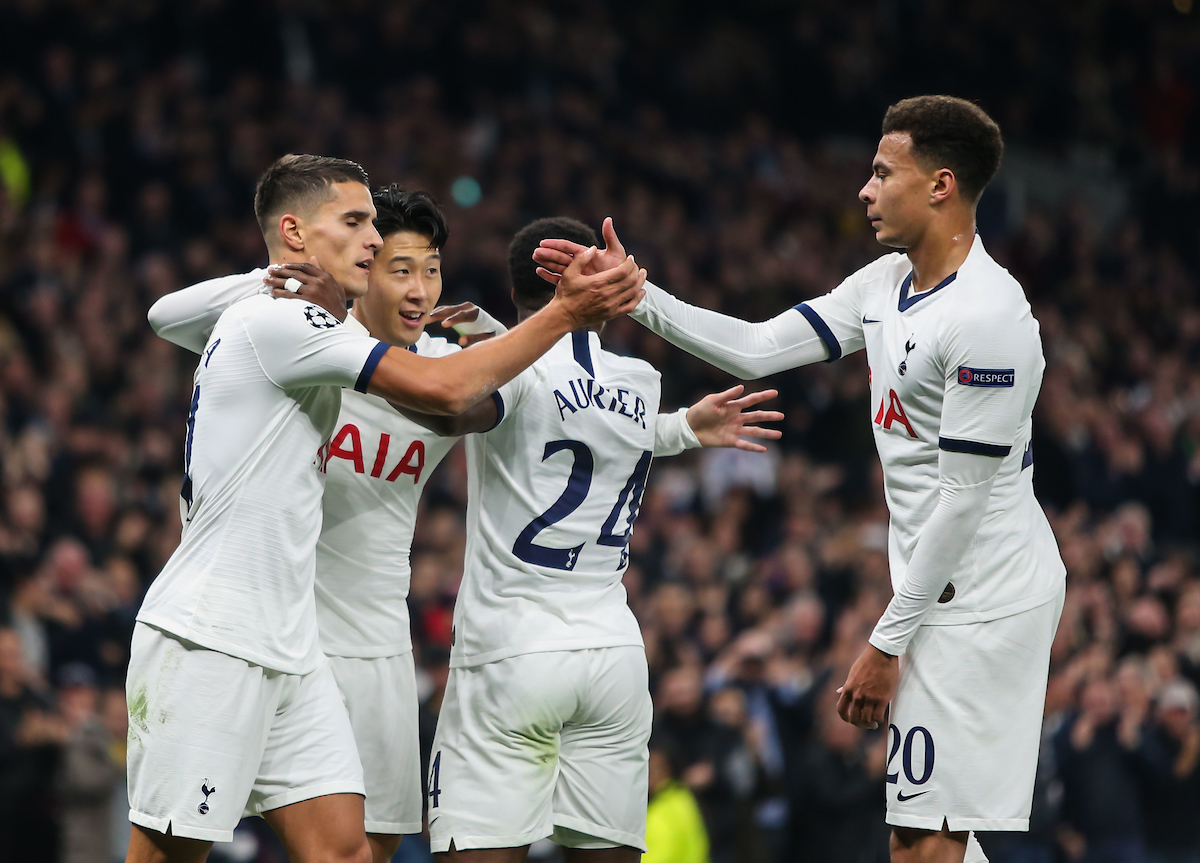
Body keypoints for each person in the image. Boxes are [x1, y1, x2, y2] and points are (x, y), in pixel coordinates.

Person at [147, 190, 779, 863]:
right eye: (400, 269)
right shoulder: (303, 334)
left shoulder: (454, 354)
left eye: (433, 269)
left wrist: (678, 428)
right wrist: (278, 279)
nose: (421, 289)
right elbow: (166, 317)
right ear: (361, 269)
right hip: (264, 628)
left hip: (377, 646)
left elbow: (549, 411)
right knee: (177, 841)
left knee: (365, 849)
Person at [534, 96, 1067, 863]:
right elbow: (755, 348)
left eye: (883, 172)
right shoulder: (886, 283)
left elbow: (961, 500)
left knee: (923, 837)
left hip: (987, 597)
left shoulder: (988, 318)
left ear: (941, 185)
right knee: (935, 830)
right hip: (941, 590)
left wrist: (885, 642)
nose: (865, 189)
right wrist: (637, 295)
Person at [403, 217, 781, 863]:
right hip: (614, 656)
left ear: (516, 289)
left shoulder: (509, 370)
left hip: (513, 649)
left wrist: (425, 347)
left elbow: (456, 404)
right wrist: (682, 428)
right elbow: (591, 423)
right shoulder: (640, 380)